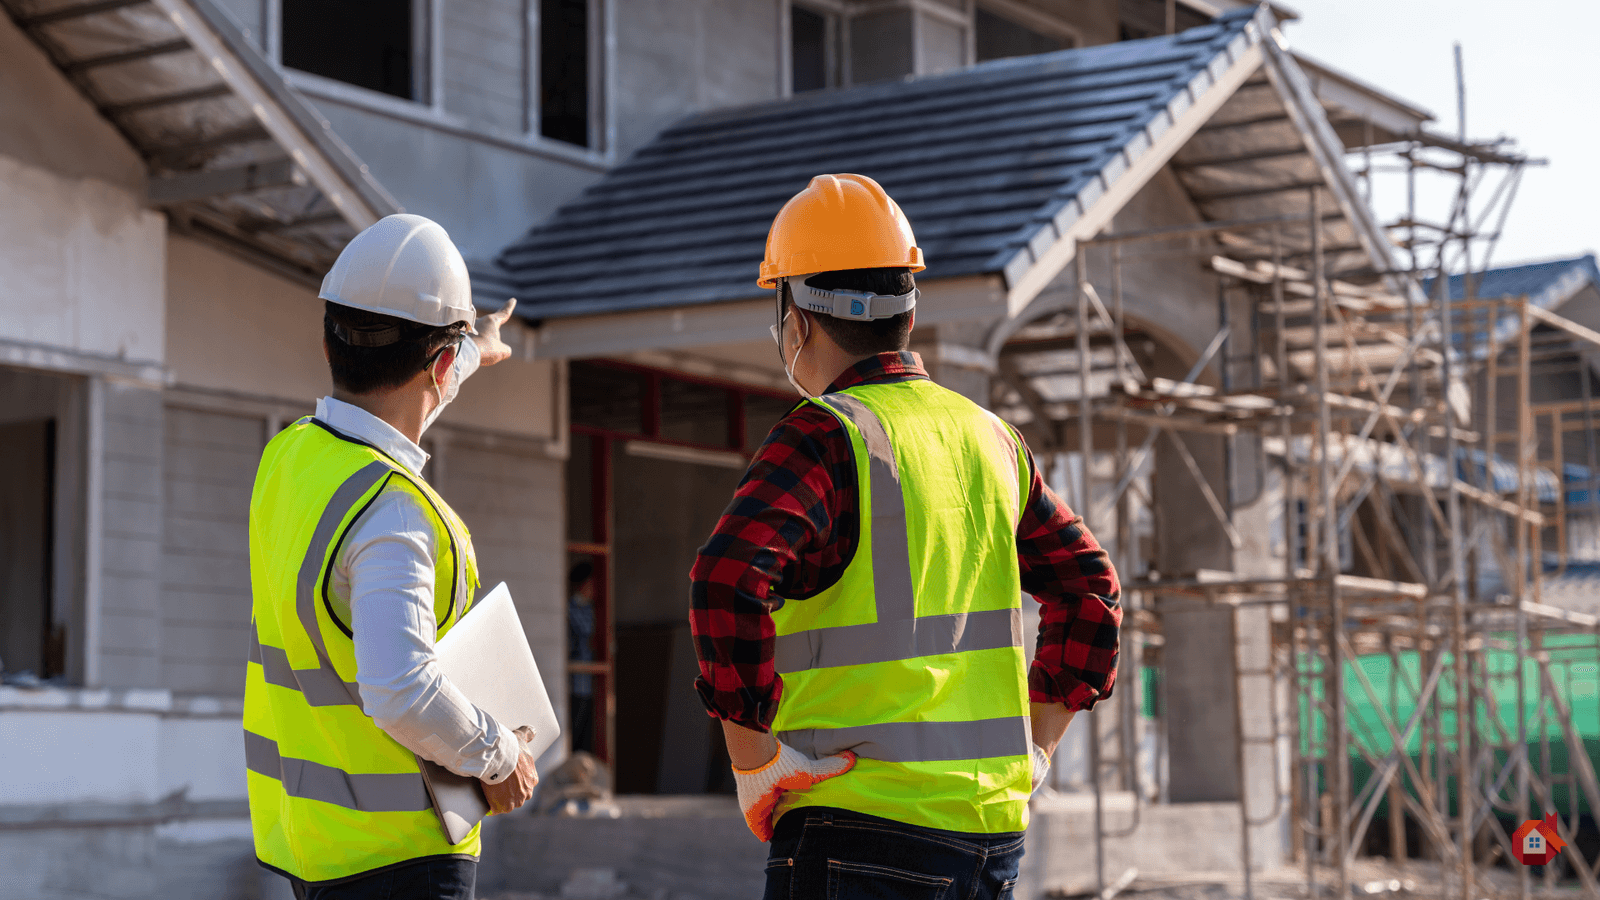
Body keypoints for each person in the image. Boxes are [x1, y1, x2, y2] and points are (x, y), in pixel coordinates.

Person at [688, 174, 1122, 899]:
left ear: (797, 321)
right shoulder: (992, 440)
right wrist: (1039, 742)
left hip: (857, 829)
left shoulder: (826, 436)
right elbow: (1090, 588)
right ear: (908, 314)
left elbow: (726, 578)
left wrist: (753, 761)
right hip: (989, 840)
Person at [245, 214, 540, 900]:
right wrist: (499, 757)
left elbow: (404, 394)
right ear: (439, 364)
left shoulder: (289, 458)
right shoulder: (392, 511)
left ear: (329, 338)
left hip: (314, 850)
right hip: (400, 862)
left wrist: (475, 347)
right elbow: (399, 686)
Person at [567, 560, 597, 753]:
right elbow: (586, 633)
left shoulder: (593, 609)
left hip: (591, 681)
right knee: (575, 735)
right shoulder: (571, 609)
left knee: (588, 738)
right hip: (576, 681)